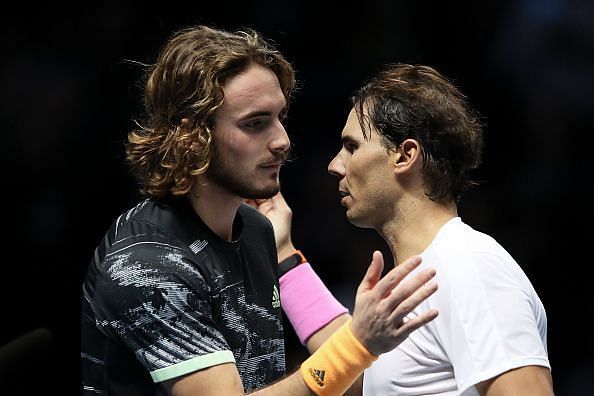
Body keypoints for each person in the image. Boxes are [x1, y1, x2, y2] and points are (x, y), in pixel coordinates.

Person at [80, 26, 440, 396]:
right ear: (192, 136)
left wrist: (286, 255)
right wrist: (356, 344)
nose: (282, 140)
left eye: (279, 116)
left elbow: (354, 384)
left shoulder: (256, 230)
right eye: (255, 123)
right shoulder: (144, 265)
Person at [253, 64, 554, 395]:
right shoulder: (425, 277)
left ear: (405, 155)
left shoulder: (469, 266)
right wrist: (283, 252)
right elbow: (357, 377)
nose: (335, 165)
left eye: (352, 146)